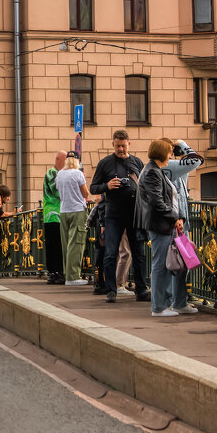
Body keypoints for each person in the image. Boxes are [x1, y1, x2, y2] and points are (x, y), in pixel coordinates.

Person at [89, 129, 147, 303]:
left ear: (129, 144)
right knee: (110, 253)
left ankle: (141, 290)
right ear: (112, 144)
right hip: (113, 214)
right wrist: (107, 185)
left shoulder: (137, 162)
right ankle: (111, 290)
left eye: (123, 145)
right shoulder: (105, 163)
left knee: (138, 253)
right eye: (117, 146)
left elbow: (145, 185)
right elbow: (93, 188)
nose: (121, 149)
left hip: (134, 214)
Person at [135, 138, 189, 318]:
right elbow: (157, 201)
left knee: (166, 265)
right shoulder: (152, 172)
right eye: (168, 152)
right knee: (160, 265)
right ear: (161, 152)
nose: (170, 155)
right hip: (161, 224)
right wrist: (175, 217)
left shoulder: (155, 170)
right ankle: (159, 307)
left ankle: (166, 304)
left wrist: (177, 216)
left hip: (164, 223)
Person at [161, 138, 203, 315]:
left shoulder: (172, 166)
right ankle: (172, 302)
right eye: (171, 150)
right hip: (176, 221)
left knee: (180, 261)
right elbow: (196, 159)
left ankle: (177, 301)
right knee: (174, 262)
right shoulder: (169, 165)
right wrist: (184, 145)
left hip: (179, 220)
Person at [57, 152, 90, 285]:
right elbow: (85, 193)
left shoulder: (59, 174)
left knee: (66, 244)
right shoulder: (78, 174)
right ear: (77, 161)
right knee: (76, 243)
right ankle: (73, 276)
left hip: (64, 210)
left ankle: (67, 274)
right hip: (77, 210)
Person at [41, 151, 64, 284]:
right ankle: (54, 272)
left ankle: (56, 272)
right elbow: (58, 191)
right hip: (53, 215)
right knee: (54, 245)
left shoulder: (57, 173)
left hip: (55, 215)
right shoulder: (52, 172)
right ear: (58, 159)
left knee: (56, 245)